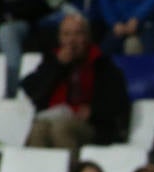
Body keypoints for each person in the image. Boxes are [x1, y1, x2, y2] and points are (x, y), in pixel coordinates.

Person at [21, 13, 131, 150]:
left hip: (91, 126)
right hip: (53, 117)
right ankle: (39, 171)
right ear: (60, 38)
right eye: (66, 35)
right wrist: (57, 65)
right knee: (38, 129)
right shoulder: (52, 61)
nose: (71, 41)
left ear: (87, 37)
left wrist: (93, 111)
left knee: (61, 128)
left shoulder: (102, 63)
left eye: (78, 34)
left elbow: (118, 102)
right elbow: (31, 90)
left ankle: (71, 171)